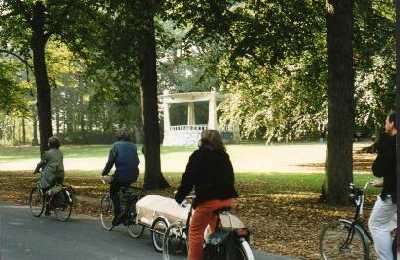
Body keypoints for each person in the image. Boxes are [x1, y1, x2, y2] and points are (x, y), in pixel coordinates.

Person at [175, 130, 238, 260]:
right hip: (226, 200)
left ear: (202, 141)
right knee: (216, 232)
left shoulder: (198, 156)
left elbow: (188, 179)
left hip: (209, 202)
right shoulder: (224, 156)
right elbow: (230, 178)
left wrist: (179, 196)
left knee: (195, 232)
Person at [368, 111, 397, 260]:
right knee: (392, 223)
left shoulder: (391, 143)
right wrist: (385, 182)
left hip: (393, 195)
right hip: (393, 188)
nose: (385, 125)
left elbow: (378, 170)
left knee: (376, 224)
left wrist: (383, 142)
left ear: (392, 124)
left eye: (386, 122)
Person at [102, 128, 140, 226]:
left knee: (113, 191)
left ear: (118, 136)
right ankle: (127, 212)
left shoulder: (116, 146)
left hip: (121, 174)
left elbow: (110, 162)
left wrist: (104, 173)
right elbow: (137, 161)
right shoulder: (133, 146)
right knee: (125, 190)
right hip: (134, 174)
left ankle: (118, 215)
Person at [33, 136, 64, 215]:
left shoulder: (47, 153)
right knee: (57, 187)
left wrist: (36, 170)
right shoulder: (60, 152)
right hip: (60, 173)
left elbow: (41, 163)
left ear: (50, 144)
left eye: (48, 143)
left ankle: (47, 208)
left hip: (51, 174)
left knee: (45, 188)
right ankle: (51, 206)